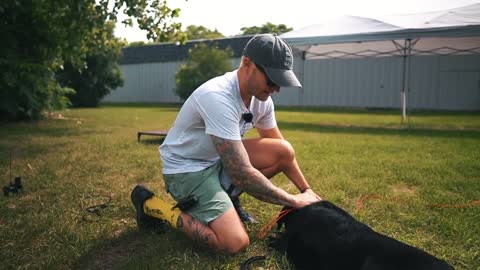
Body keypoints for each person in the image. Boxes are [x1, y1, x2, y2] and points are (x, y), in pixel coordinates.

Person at [131, 34, 321, 255]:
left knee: (283, 150)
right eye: (271, 80)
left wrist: (307, 192)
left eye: (281, 82)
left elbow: (281, 151)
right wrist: (294, 201)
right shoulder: (218, 97)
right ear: (247, 64)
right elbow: (241, 174)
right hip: (187, 170)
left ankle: (227, 200)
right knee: (234, 243)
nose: (276, 89)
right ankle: (153, 207)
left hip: (218, 160)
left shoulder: (262, 100)